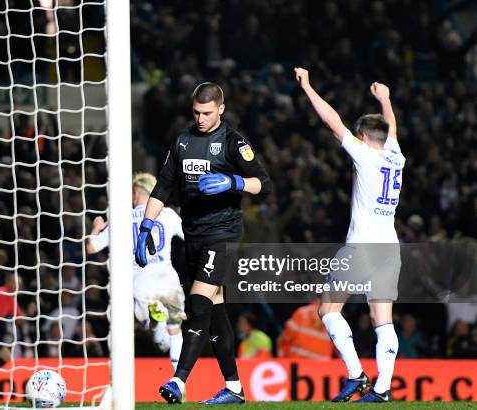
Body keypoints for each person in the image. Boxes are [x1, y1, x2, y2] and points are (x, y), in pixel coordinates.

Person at [135, 82, 273, 404]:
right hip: (193, 236)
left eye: (207, 113)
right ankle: (235, 387)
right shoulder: (182, 141)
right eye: (196, 112)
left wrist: (234, 181)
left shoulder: (233, 142)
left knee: (198, 304)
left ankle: (178, 382)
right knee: (214, 312)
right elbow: (164, 187)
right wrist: (145, 226)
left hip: (222, 236)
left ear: (221, 110)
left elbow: (263, 183)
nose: (200, 118)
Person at [295, 67, 405, 403]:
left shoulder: (367, 156)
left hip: (362, 248)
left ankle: (356, 375)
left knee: (328, 310)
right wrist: (385, 99)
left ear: (366, 137)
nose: (355, 139)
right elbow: (393, 129)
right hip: (389, 247)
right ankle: (383, 388)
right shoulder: (396, 157)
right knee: (381, 318)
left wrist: (309, 87)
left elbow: (332, 121)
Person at [86, 172, 186, 371]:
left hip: (141, 280)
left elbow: (92, 248)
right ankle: (178, 381)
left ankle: (154, 323)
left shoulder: (120, 219)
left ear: (135, 194)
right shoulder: (168, 214)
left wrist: (96, 228)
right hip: (168, 277)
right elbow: (189, 237)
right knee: (175, 330)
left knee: (157, 335)